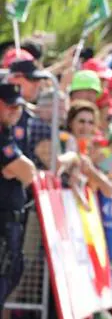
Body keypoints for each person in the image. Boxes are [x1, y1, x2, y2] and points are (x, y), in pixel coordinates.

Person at [0, 84, 36, 309]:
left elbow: (25, 170)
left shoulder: (7, 133)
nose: (16, 111)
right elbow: (27, 171)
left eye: (19, 107)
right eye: (10, 106)